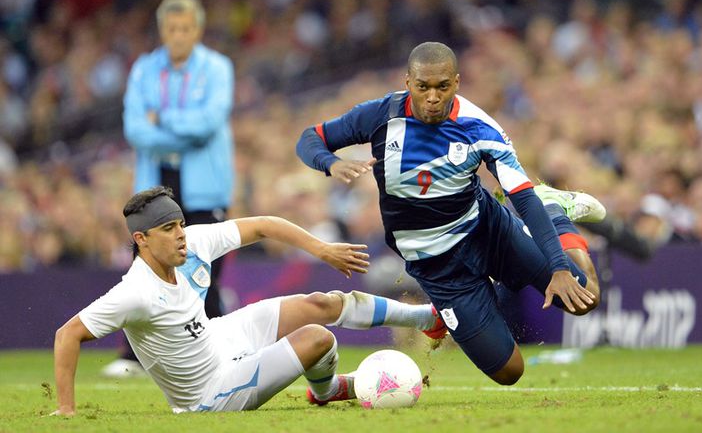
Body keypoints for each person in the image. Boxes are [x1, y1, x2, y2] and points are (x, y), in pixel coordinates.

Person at [296, 41, 606, 385]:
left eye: (442, 87)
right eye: (423, 86)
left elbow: (521, 196)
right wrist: (331, 163)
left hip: (490, 233)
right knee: (509, 372)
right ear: (408, 82)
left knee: (585, 300)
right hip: (438, 268)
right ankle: (455, 312)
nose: (432, 97)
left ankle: (556, 214)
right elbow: (310, 139)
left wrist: (560, 267)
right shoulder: (380, 115)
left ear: (456, 83)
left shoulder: (480, 128)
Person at [53, 186, 444, 415]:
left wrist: (321, 249)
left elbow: (263, 225)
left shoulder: (193, 244)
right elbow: (67, 335)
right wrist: (66, 412)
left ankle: (427, 317)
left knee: (322, 303)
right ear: (142, 240)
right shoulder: (134, 292)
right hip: (210, 392)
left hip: (218, 339)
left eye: (181, 225)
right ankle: (327, 390)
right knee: (318, 338)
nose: (181, 236)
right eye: (168, 229)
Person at [110, 0, 234, 376]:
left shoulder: (216, 67)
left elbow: (209, 123)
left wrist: (160, 119)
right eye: (171, 29)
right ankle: (136, 357)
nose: (178, 36)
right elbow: (135, 129)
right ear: (162, 31)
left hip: (204, 186)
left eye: (185, 28)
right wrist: (179, 128)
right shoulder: (144, 70)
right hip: (154, 186)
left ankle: (220, 349)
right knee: (144, 270)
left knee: (203, 269)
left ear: (197, 29)